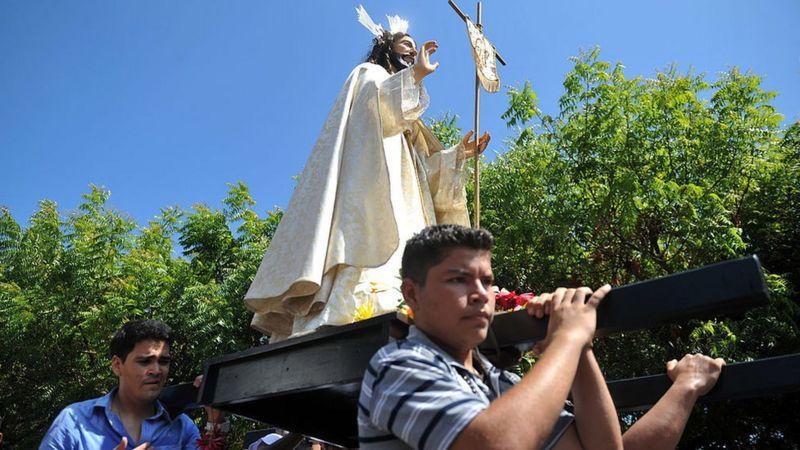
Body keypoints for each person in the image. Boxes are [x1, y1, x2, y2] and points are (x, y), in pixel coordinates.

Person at [358, 224, 725, 449]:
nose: (480, 294)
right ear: (412, 293)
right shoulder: (399, 365)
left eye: (486, 281)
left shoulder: (499, 382)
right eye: (457, 279)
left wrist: (579, 348)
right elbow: (495, 446)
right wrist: (567, 338)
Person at [244, 6, 489, 340]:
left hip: (408, 199)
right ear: (385, 46)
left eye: (414, 47)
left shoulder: (409, 110)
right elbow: (375, 114)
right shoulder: (368, 75)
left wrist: (458, 155)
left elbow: (424, 168)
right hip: (370, 185)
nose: (412, 50)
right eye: (405, 43)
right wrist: (414, 76)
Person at [40, 320, 227, 450]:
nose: (156, 370)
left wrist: (215, 418)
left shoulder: (182, 427)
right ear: (117, 365)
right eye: (145, 361)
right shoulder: (74, 422)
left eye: (164, 361)